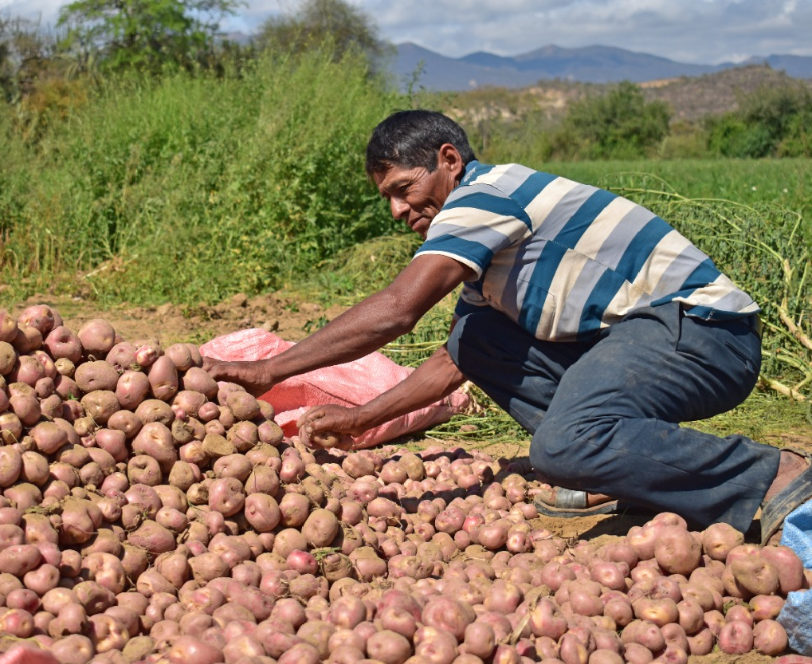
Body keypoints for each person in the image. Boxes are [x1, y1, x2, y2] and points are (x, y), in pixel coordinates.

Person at [206, 109, 812, 544]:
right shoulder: (484, 250)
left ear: (449, 161)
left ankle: (772, 472)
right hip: (645, 339)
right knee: (476, 338)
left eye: (403, 189)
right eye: (387, 198)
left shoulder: (486, 197)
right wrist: (362, 420)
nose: (397, 211)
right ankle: (622, 471)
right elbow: (455, 360)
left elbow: (397, 309)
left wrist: (267, 371)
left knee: (561, 446)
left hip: (703, 331)